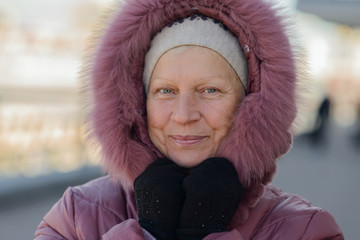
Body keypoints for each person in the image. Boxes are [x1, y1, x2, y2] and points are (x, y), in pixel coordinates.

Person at [34, 0, 344, 239]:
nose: (184, 115)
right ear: (139, 103)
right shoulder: (75, 218)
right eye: (165, 90)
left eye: (210, 90)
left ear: (250, 104)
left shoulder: (306, 230)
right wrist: (148, 231)